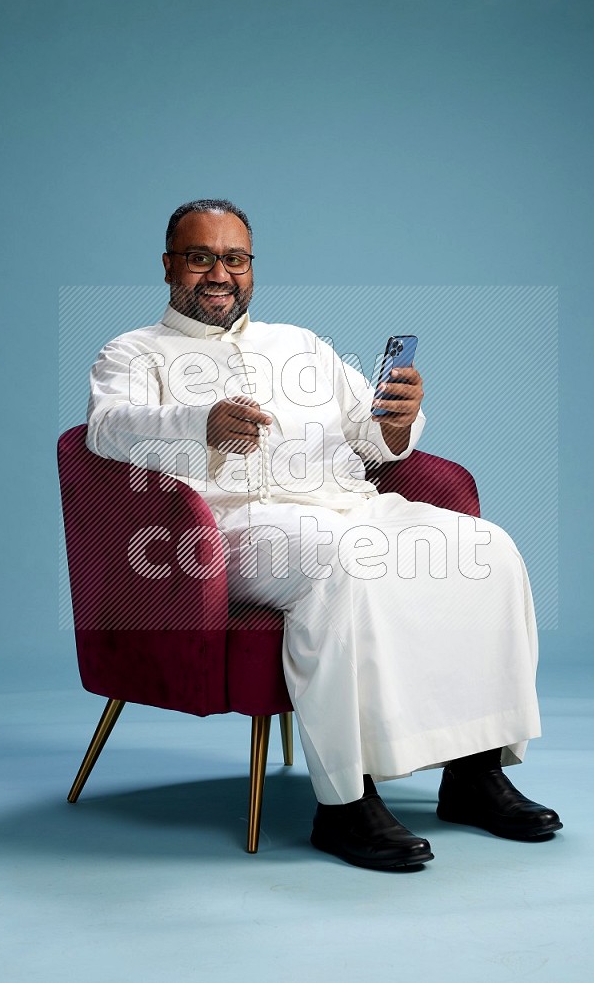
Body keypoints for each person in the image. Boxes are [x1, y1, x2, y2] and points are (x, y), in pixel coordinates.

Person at [86, 198, 562, 870]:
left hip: (352, 502)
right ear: (169, 266)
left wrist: (397, 421)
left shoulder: (300, 344)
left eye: (235, 258)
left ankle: (475, 773)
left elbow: (371, 440)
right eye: (201, 258)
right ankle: (345, 803)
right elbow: (106, 430)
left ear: (251, 267)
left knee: (489, 550)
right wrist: (200, 423)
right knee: (346, 565)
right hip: (234, 527)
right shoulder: (131, 352)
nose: (220, 273)